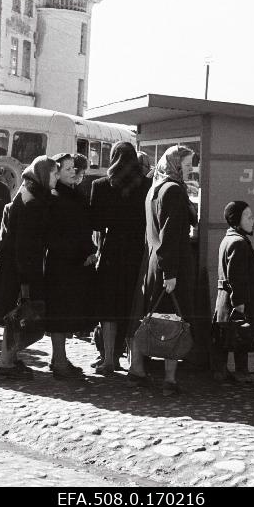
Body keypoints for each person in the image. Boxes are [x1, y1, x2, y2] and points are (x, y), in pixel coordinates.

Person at [128, 145, 197, 396]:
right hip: (171, 267)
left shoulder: (154, 189)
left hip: (154, 264)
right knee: (174, 320)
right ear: (176, 165)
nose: (190, 170)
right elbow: (170, 234)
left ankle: (136, 369)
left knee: (147, 318)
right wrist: (171, 273)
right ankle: (169, 379)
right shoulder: (174, 191)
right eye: (187, 165)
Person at [0, 156, 59, 379]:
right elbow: (24, 243)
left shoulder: (31, 193)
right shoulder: (32, 201)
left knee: (17, 316)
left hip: (19, 266)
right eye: (54, 172)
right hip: (20, 268)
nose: (57, 176)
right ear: (42, 174)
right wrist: (25, 281)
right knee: (17, 316)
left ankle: (11, 360)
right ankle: (6, 364)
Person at [89, 142, 151, 374]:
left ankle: (108, 359)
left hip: (112, 252)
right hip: (137, 252)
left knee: (109, 307)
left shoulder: (101, 185)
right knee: (132, 307)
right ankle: (133, 361)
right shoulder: (146, 184)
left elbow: (95, 223)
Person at [43, 153, 97, 379]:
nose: (74, 172)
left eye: (74, 168)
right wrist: (81, 253)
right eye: (68, 169)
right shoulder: (55, 197)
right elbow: (58, 235)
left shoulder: (73, 194)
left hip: (74, 262)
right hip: (62, 262)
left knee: (66, 313)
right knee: (59, 313)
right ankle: (59, 360)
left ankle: (59, 358)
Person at [211, 201, 254, 383]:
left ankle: (221, 371)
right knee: (241, 333)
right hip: (236, 300)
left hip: (224, 299)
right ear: (236, 219)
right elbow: (236, 277)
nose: (252, 220)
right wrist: (240, 303)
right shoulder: (239, 243)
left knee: (226, 334)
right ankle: (241, 372)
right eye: (248, 216)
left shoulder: (228, 239)